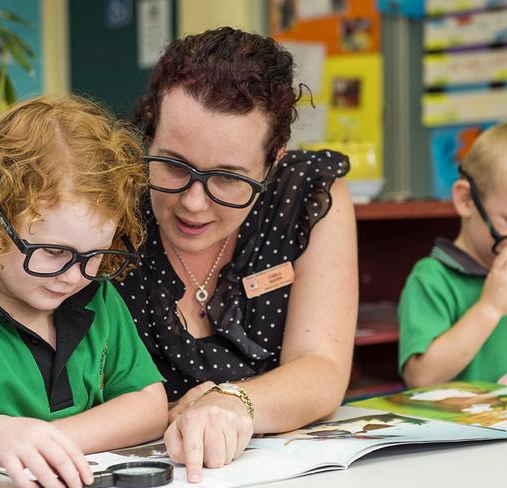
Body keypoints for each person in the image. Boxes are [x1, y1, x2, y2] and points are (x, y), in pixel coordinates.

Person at [119, 27, 358, 482]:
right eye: (173, 164)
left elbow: (322, 370)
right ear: (148, 135)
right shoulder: (109, 204)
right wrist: (164, 416)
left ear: (273, 162)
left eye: (229, 178)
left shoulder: (306, 196)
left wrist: (232, 403)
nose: (193, 202)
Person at [0, 96, 168, 488]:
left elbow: (148, 404)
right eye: (53, 251)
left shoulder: (96, 297)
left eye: (95, 255)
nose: (74, 277)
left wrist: (46, 443)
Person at [399, 122, 507, 388]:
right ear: (467, 200)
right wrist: (490, 307)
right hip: (468, 428)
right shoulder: (431, 279)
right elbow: (420, 377)